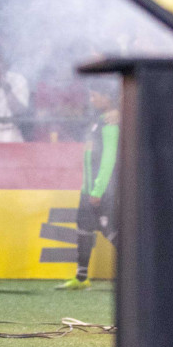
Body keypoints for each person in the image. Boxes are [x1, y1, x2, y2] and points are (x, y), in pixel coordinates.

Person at [58, 83, 118, 290]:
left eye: (95, 96)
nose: (92, 100)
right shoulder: (99, 120)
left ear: (107, 98)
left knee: (111, 230)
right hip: (89, 189)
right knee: (83, 228)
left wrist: (98, 190)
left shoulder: (111, 123)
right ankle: (81, 278)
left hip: (102, 190)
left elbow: (109, 158)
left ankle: (145, 272)